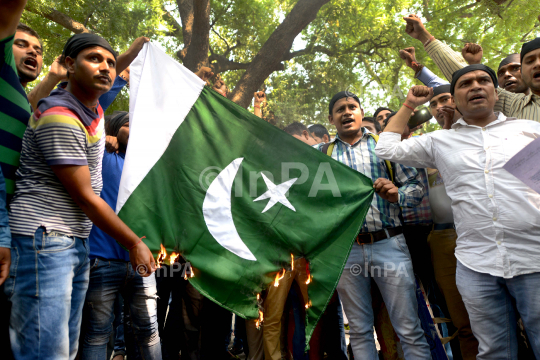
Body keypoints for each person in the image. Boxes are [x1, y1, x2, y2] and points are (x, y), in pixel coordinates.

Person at [5, 32, 156, 360]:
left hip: (72, 241)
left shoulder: (92, 110)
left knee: (65, 350)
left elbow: (110, 73)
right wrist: (134, 242)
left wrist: (130, 52)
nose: (105, 68)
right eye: (94, 59)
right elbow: (86, 197)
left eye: (110, 63)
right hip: (43, 240)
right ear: (69, 66)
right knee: (47, 352)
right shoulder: (61, 114)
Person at [375, 65, 540, 359]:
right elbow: (386, 148)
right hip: (476, 265)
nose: (476, 86)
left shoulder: (527, 131)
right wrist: (410, 103)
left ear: (494, 91)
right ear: (454, 97)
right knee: (493, 351)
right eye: (465, 83)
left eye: (483, 81)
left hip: (533, 258)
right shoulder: (440, 142)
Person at [317, 91, 430, 359]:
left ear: (360, 112)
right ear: (331, 119)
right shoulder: (320, 155)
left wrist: (397, 195)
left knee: (409, 328)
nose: (347, 112)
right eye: (340, 109)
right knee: (358, 330)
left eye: (352, 107)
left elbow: (416, 186)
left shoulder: (384, 146)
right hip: (346, 251)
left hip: (389, 244)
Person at [80, 111, 161, 360]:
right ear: (113, 129)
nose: (134, 127)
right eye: (128, 124)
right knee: (98, 334)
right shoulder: (101, 157)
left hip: (141, 264)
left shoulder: (147, 167)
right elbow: (87, 120)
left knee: (149, 331)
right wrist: (106, 138)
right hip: (102, 261)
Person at [403, 14, 540, 122]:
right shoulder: (515, 106)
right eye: (529, 61)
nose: (537, 64)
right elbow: (462, 73)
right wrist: (423, 36)